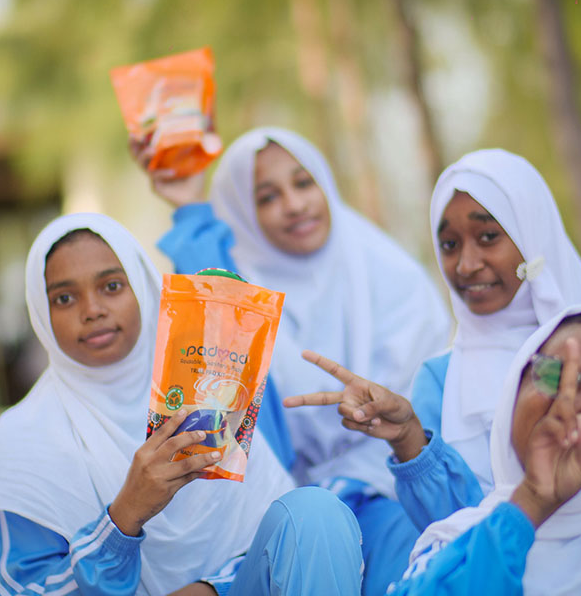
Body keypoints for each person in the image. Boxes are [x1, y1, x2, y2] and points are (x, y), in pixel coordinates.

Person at [0, 213, 363, 596]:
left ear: (143, 287)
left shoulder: (202, 389)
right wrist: (122, 518)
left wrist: (211, 589)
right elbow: (22, 590)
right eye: (65, 298)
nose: (92, 310)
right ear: (40, 312)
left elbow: (273, 539)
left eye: (112, 286)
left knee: (315, 511)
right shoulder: (24, 440)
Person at [286, 148, 581, 534]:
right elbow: (456, 532)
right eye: (450, 245)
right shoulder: (440, 380)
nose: (466, 265)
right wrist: (409, 441)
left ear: (532, 231)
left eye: (488, 236)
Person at [132, 127, 452, 595]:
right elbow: (210, 301)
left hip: (396, 491)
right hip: (276, 511)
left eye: (304, 183)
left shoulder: (393, 277)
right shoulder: (242, 301)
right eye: (267, 196)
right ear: (244, 212)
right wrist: (186, 200)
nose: (295, 204)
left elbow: (434, 408)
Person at [388, 305, 581, 595]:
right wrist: (532, 500)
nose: (576, 407)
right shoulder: (453, 545)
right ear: (515, 389)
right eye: (554, 376)